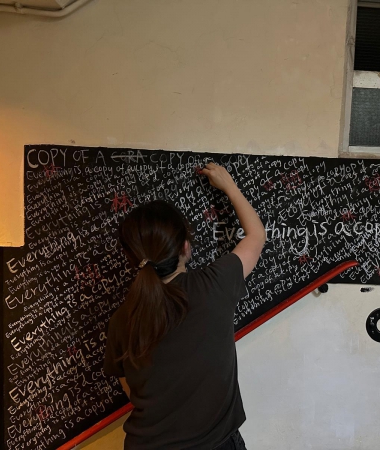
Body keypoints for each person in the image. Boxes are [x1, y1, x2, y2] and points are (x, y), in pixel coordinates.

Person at [104, 162, 266, 450]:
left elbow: (130, 387)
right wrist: (229, 186)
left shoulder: (121, 319)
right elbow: (256, 236)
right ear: (185, 247)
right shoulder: (213, 285)